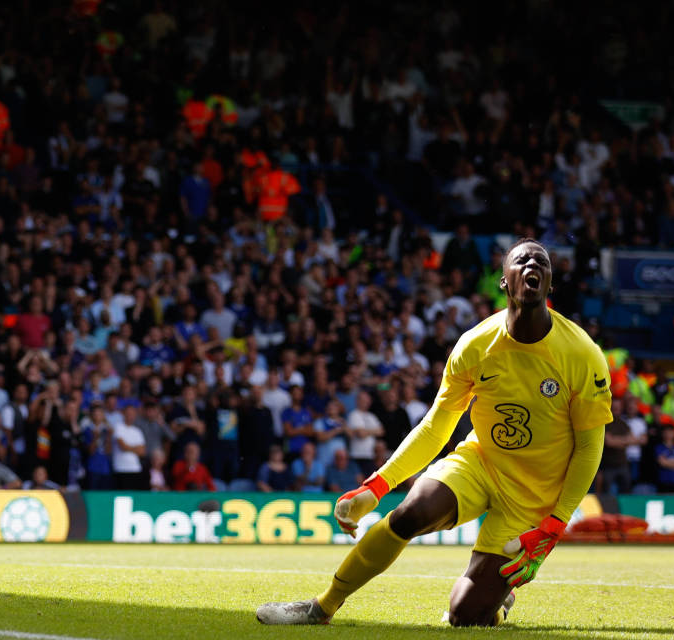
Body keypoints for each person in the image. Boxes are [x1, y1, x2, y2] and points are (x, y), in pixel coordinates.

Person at [257, 239, 611, 627]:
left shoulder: (582, 354)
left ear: (549, 283)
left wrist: (555, 523)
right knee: (411, 512)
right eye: (522, 259)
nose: (532, 265)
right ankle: (321, 607)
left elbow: (590, 447)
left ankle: (499, 595)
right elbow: (437, 425)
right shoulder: (475, 345)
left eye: (541, 261)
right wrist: (376, 486)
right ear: (504, 283)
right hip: (481, 463)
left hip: (534, 495)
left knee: (465, 617)